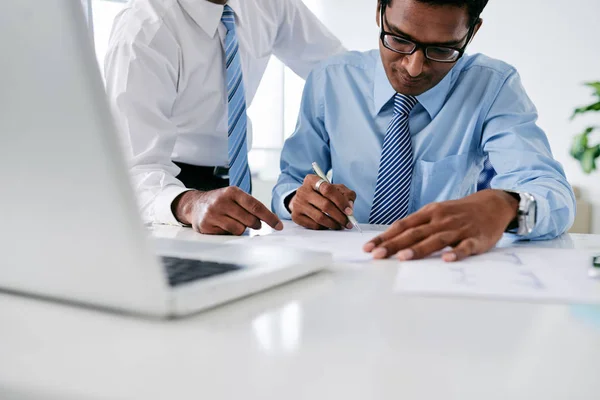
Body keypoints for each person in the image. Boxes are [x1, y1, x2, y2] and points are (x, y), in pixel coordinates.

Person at [272, 0, 576, 262]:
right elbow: (291, 181)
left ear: (473, 31)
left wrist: (508, 205)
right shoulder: (330, 79)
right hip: (343, 270)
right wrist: (295, 199)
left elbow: (553, 192)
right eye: (399, 40)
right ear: (379, 10)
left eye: (442, 49)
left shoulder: (493, 87)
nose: (414, 67)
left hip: (440, 270)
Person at [104, 0, 344, 235]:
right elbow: (133, 169)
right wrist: (188, 203)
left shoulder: (270, 5)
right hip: (170, 195)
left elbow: (342, 75)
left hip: (235, 182)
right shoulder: (143, 29)